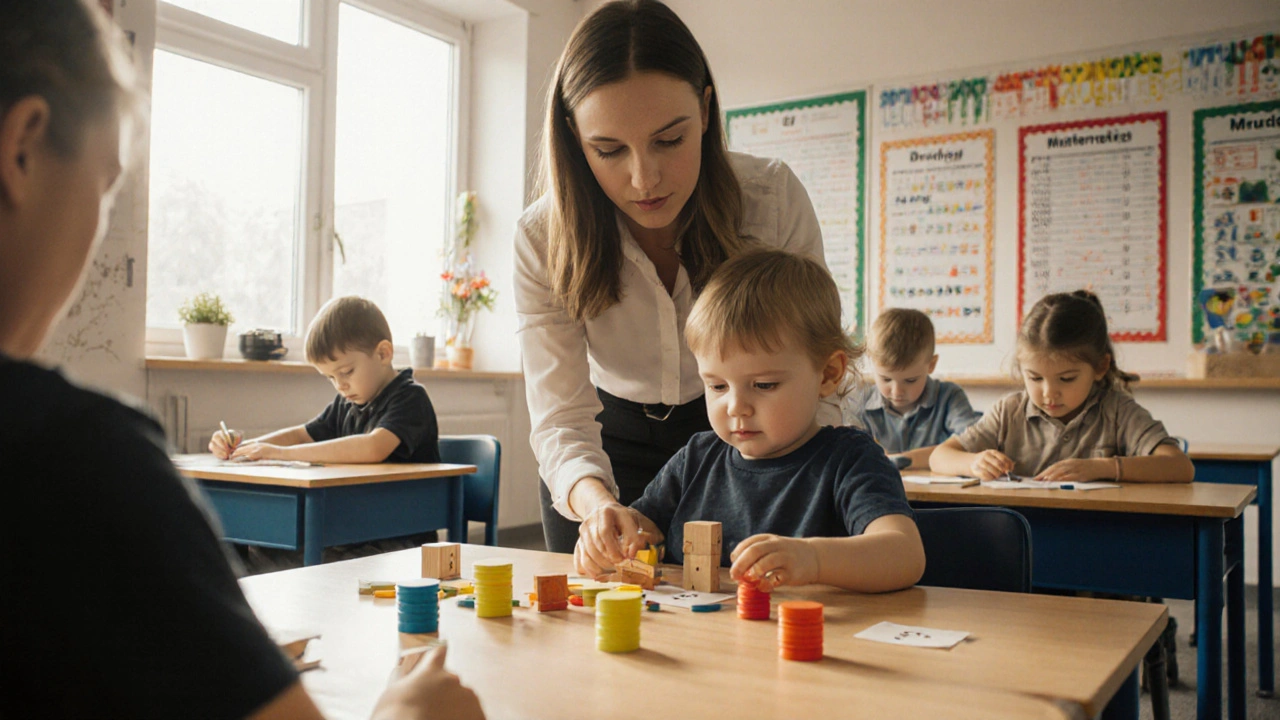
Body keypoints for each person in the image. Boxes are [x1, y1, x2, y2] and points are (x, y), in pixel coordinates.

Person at [0, 2, 482, 717]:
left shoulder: (402, 399)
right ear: (23, 149)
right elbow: (314, 431)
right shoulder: (81, 460)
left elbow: (365, 447)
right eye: (106, 183)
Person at [515, 0, 837, 554]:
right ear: (573, 137)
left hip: (749, 433)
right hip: (603, 445)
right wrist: (597, 506)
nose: (644, 178)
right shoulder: (543, 238)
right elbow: (561, 416)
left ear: (706, 111)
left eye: (669, 140)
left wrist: (811, 475)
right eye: (609, 149)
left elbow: (814, 359)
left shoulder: (773, 201)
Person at [574, 251, 924, 593]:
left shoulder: (850, 460)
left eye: (764, 385)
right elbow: (642, 534)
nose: (736, 406)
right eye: (717, 386)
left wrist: (814, 559)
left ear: (828, 374)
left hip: (804, 644)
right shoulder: (696, 458)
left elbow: (905, 554)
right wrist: (610, 542)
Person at [930, 290, 1195, 483]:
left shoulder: (1118, 412)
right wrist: (973, 462)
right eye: (1034, 378)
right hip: (1019, 538)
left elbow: (1180, 467)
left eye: (1066, 379)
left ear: (1100, 367)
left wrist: (1102, 468)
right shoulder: (1008, 411)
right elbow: (939, 457)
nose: (1048, 393)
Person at [211, 295, 440, 465]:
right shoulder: (347, 402)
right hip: (361, 516)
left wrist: (279, 453)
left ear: (383, 354)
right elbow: (301, 435)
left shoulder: (410, 398)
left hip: (403, 522)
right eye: (330, 377)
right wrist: (245, 449)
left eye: (347, 371)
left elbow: (373, 447)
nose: (340, 385)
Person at [843, 308, 981, 470]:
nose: (897, 391)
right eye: (886, 379)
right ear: (872, 363)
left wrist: (899, 460)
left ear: (931, 365)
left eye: (910, 380)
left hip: (938, 494)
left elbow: (974, 444)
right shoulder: (860, 400)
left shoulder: (950, 397)